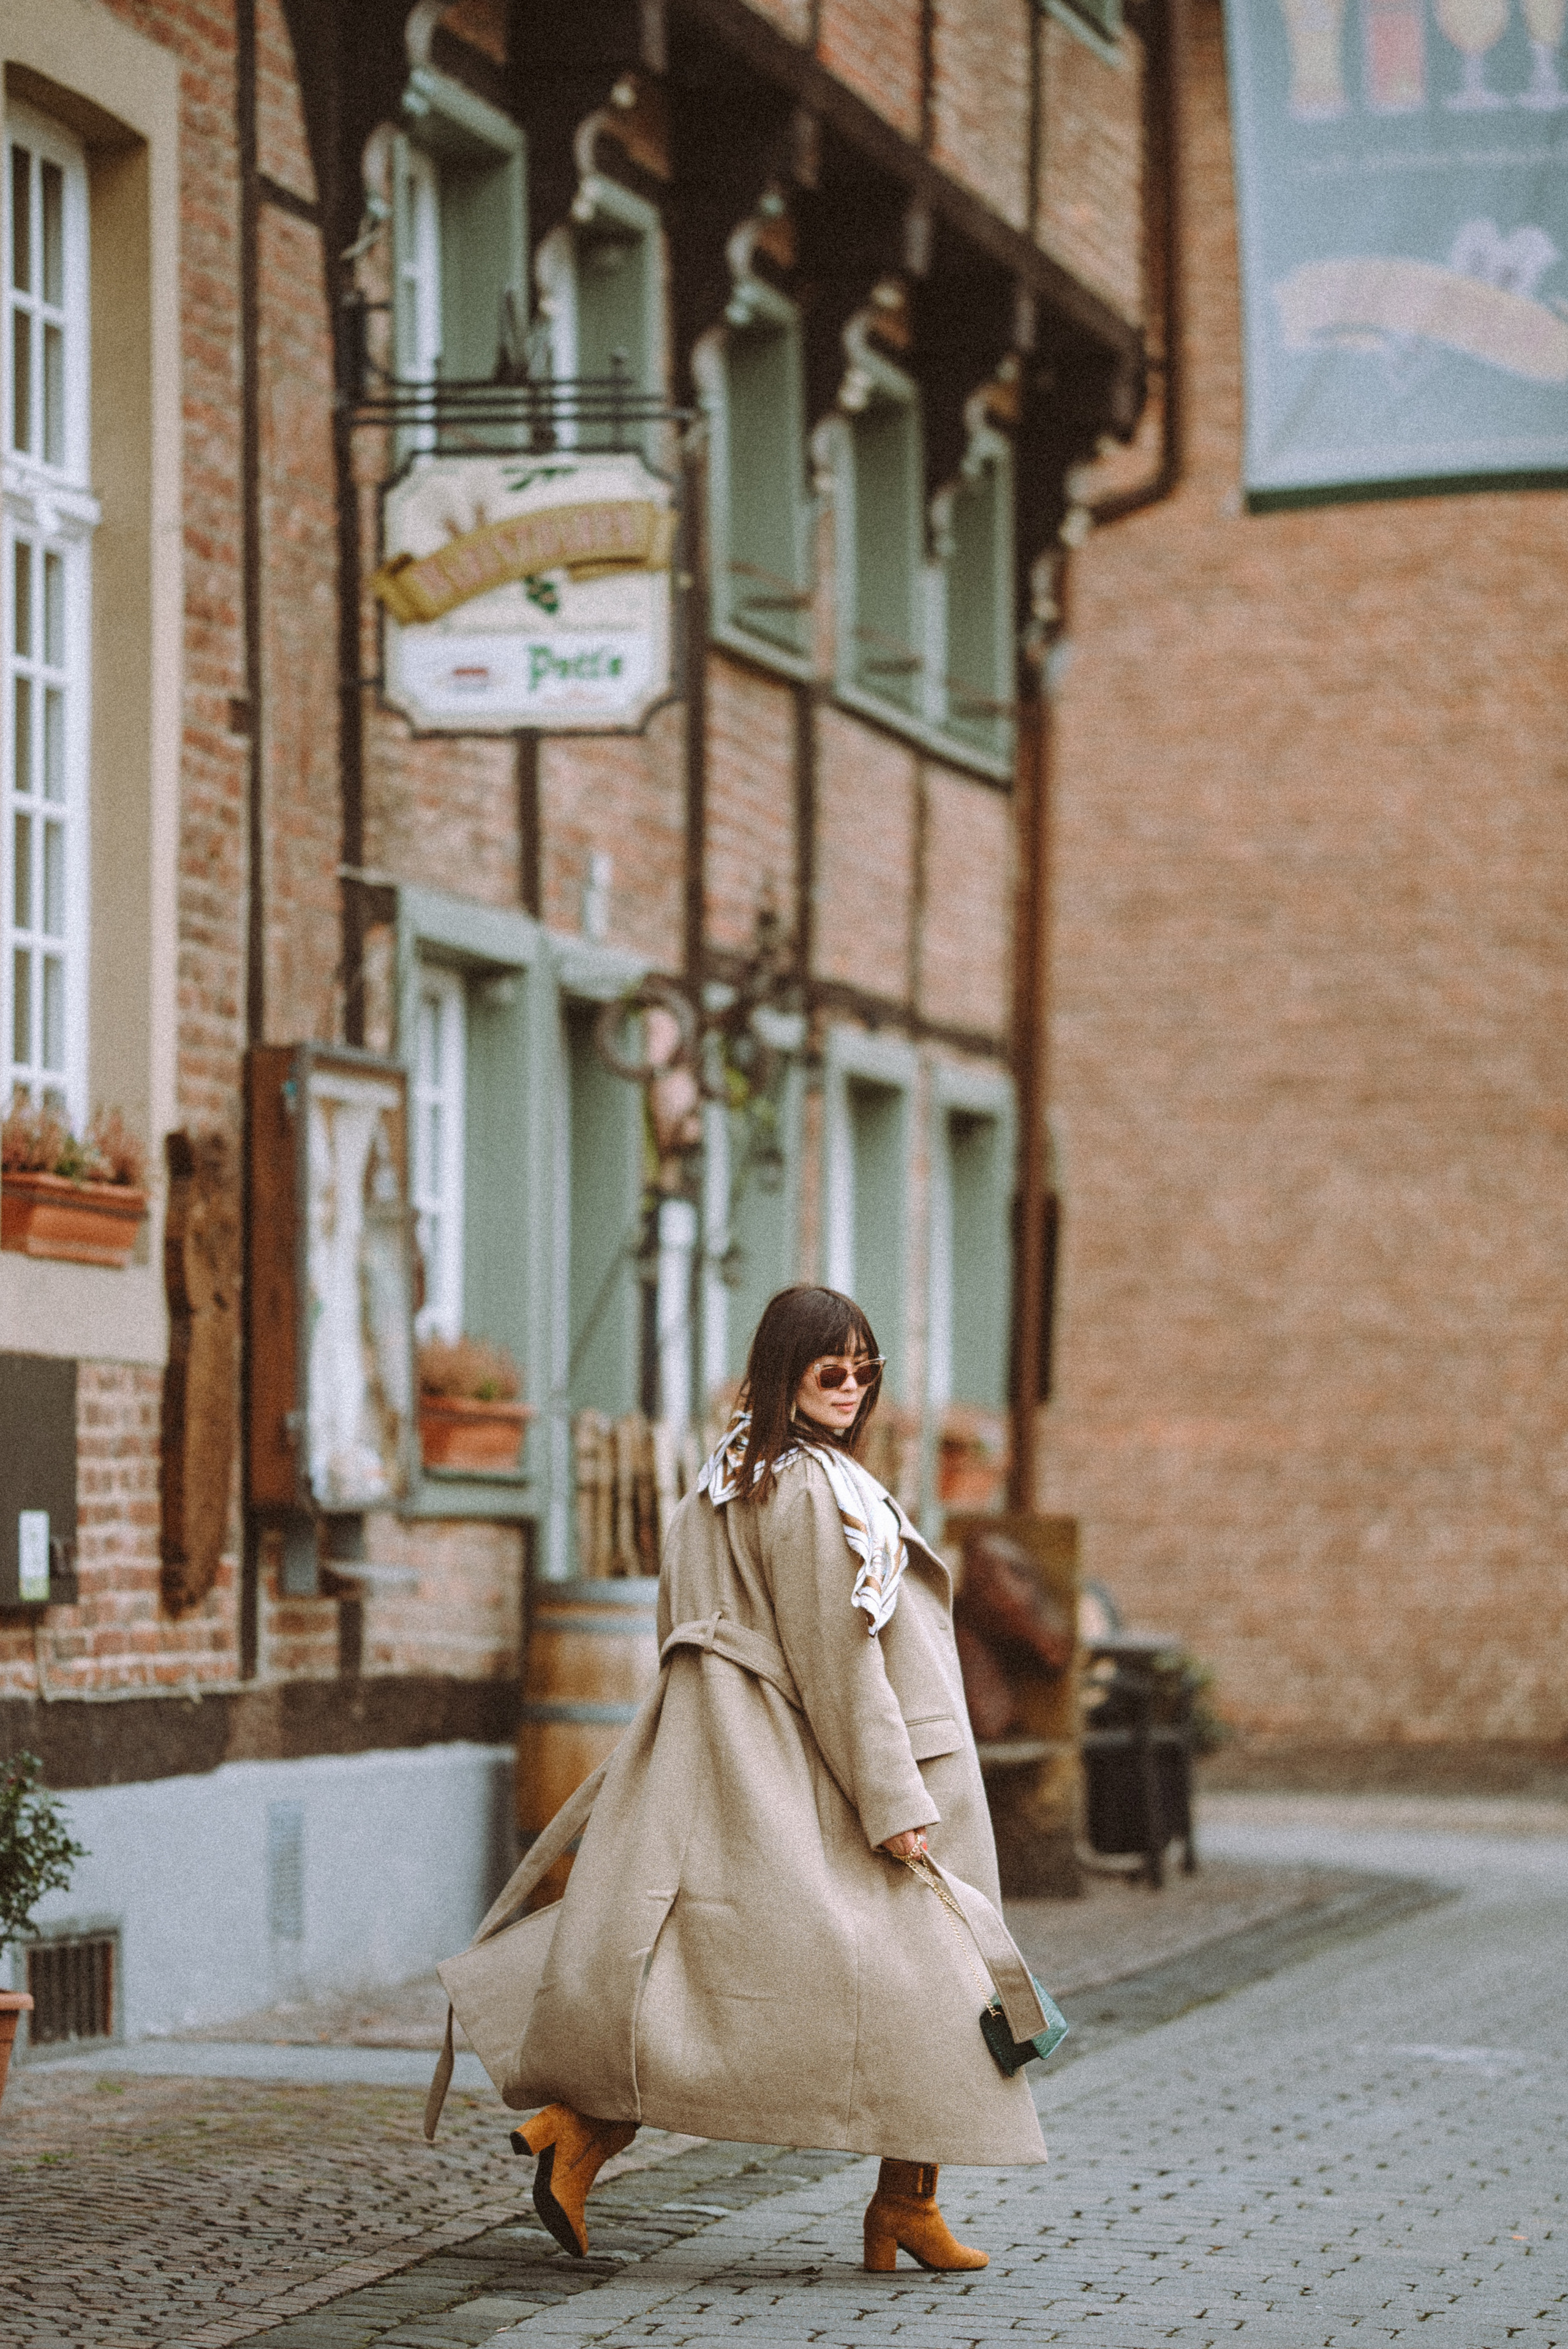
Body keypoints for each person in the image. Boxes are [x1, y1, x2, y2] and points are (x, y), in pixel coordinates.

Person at [499, 1285, 1047, 2272]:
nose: (851, 1387)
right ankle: (887, 2201)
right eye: (829, 1370)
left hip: (755, 1761)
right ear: (784, 1372)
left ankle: (590, 2138)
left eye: (864, 1369)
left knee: (711, 1974)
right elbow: (839, 1661)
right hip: (828, 1772)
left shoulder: (734, 1475)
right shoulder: (805, 1491)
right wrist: (894, 1804)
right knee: (926, 1984)